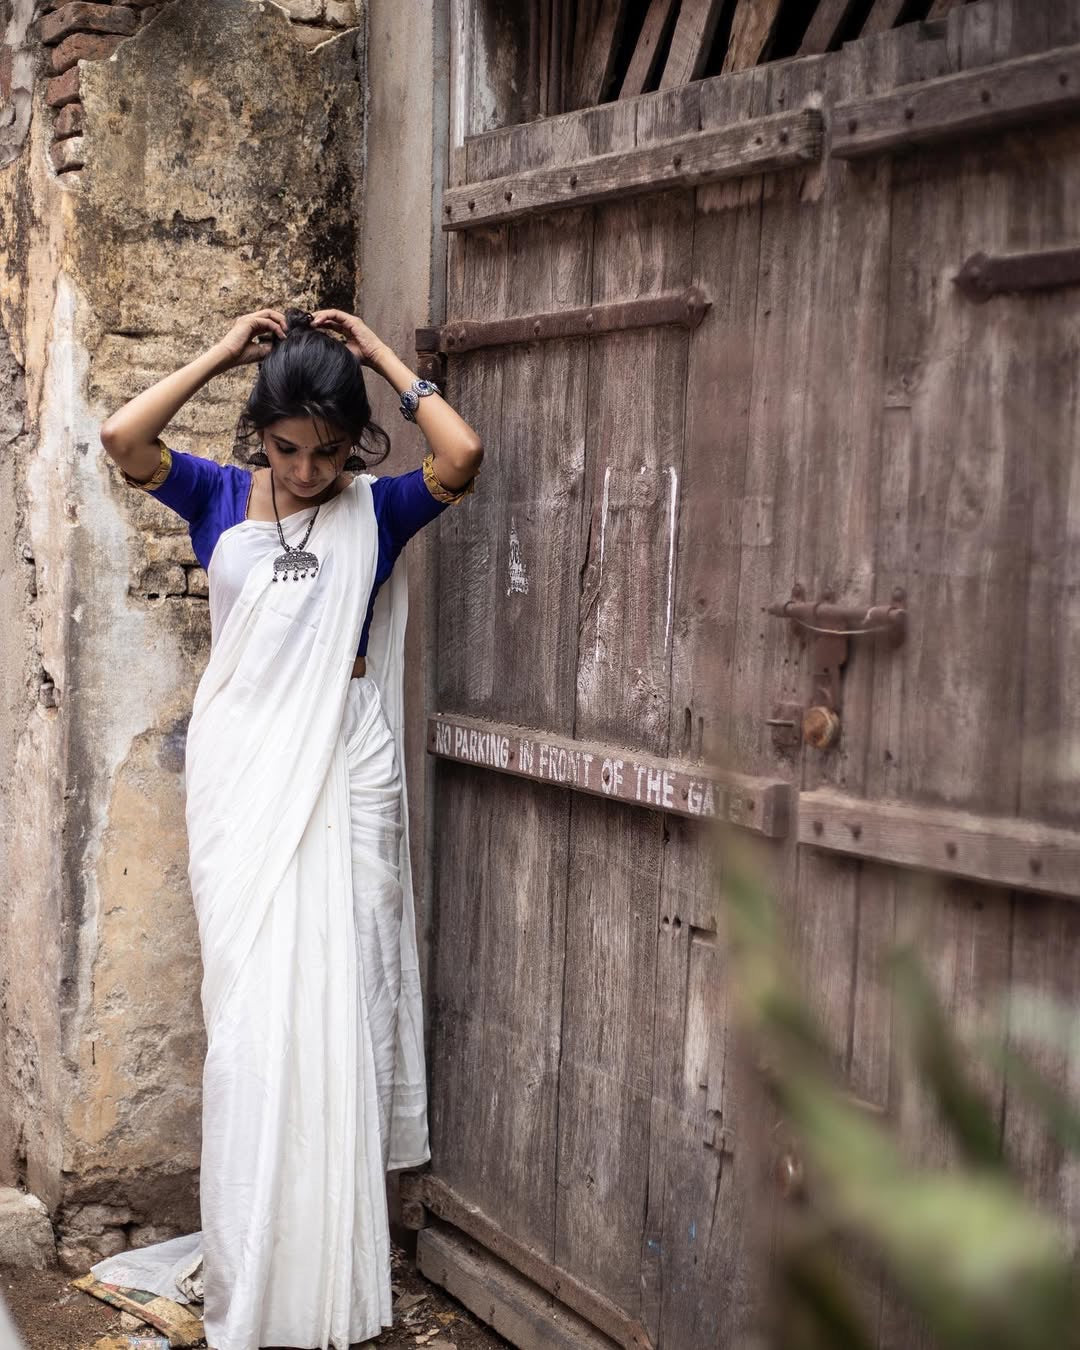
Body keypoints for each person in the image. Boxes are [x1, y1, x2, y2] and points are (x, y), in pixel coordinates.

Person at [91, 306, 483, 1350]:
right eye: (286, 449)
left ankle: (329, 1267)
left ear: (356, 443)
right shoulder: (217, 496)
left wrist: (384, 361)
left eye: (328, 450)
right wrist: (224, 352)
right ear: (258, 437)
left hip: (345, 765)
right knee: (256, 1027)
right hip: (246, 775)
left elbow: (464, 452)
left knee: (339, 1008)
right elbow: (123, 440)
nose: (308, 472)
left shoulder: (381, 509)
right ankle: (255, 1256)